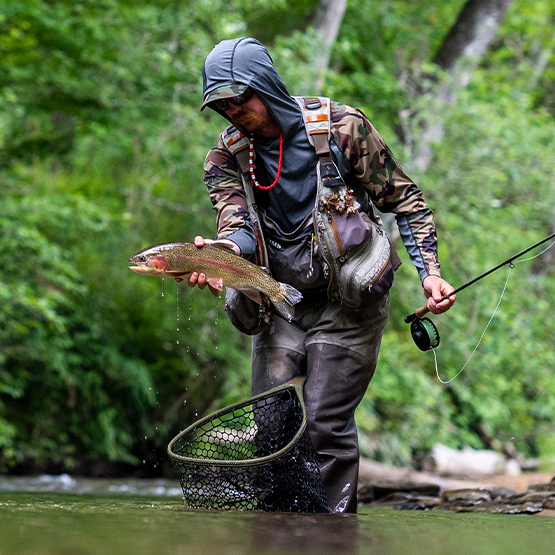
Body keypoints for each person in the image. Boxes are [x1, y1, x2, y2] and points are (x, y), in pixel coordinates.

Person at [188, 37, 456, 513]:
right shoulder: (225, 157)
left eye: (239, 97)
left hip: (349, 303)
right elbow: (237, 226)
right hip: (280, 303)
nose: (231, 110)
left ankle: (332, 533)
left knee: (325, 424)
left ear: (266, 86)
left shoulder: (342, 129)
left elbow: (405, 201)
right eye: (220, 104)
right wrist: (224, 254)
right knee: (272, 427)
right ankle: (276, 535)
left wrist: (430, 273)